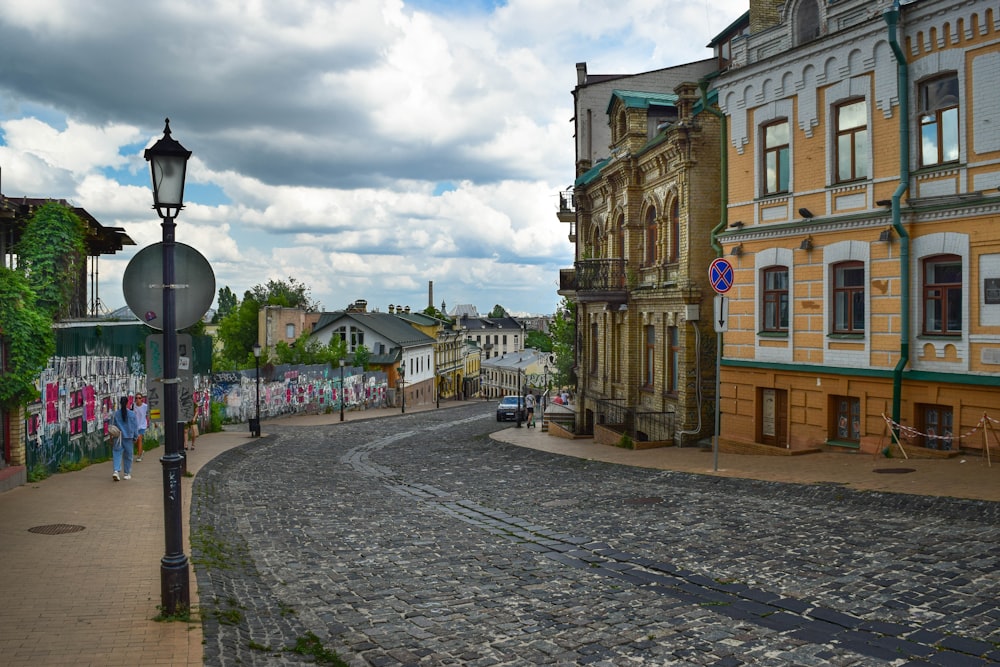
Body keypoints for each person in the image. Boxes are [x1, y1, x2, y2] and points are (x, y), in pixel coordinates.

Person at [111, 395, 139, 481]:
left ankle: (116, 471)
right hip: (129, 437)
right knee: (128, 456)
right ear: (127, 403)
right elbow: (135, 427)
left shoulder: (115, 414)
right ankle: (126, 473)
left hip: (118, 437)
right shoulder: (132, 414)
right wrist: (135, 436)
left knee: (117, 453)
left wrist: (111, 437)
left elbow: (112, 426)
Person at [134, 394, 148, 462]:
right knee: (135, 441)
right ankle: (141, 451)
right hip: (135, 426)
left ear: (142, 399)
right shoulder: (133, 406)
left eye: (139, 398)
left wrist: (155, 423)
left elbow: (149, 414)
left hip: (142, 425)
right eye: (136, 398)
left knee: (139, 438)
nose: (138, 399)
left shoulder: (145, 406)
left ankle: (139, 456)